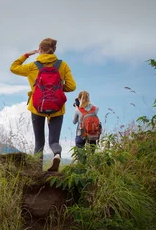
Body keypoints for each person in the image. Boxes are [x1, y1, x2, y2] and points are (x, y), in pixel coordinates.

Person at [10, 38, 76, 171]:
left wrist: (27, 55)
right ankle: (57, 154)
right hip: (57, 109)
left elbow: (13, 68)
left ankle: (36, 171)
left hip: (37, 108)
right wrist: (57, 90)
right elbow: (72, 86)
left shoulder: (32, 66)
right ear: (54, 50)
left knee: (39, 142)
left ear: (40, 50)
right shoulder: (62, 65)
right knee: (53, 141)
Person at [72, 90, 100, 163]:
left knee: (80, 148)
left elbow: (74, 122)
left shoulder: (78, 110)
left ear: (79, 99)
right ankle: (91, 165)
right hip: (93, 133)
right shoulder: (96, 108)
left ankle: (82, 165)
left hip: (81, 133)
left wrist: (76, 108)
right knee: (92, 151)